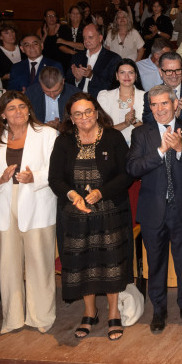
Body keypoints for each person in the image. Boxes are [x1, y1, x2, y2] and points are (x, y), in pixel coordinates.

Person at [49, 92, 134, 341]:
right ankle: (89, 312)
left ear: (96, 113)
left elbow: (126, 174)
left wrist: (101, 192)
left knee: (111, 263)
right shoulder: (63, 141)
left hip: (109, 212)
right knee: (82, 264)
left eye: (88, 111)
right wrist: (73, 195)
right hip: (75, 214)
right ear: (71, 118)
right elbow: (55, 178)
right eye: (78, 113)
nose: (84, 117)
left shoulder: (113, 137)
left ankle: (113, 313)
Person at [126, 84, 182, 334]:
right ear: (149, 107)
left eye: (165, 103)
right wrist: (162, 151)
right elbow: (132, 168)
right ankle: (159, 310)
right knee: (156, 263)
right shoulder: (142, 134)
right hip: (153, 210)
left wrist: (181, 149)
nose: (160, 109)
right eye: (154, 104)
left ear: (175, 104)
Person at [0, 91, 58, 334]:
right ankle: (12, 318)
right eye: (11, 108)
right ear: (2, 115)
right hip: (2, 201)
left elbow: (56, 169)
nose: (18, 112)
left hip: (37, 199)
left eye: (22, 106)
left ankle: (41, 316)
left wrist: (36, 177)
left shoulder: (47, 134)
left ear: (30, 109)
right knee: (8, 264)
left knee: (39, 262)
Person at [97, 59, 145, 146]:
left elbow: (150, 130)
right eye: (122, 72)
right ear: (117, 76)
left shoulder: (146, 96)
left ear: (136, 75)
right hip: (111, 145)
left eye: (130, 72)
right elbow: (101, 130)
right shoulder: (105, 96)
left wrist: (134, 121)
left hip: (139, 146)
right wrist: (125, 124)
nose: (126, 76)